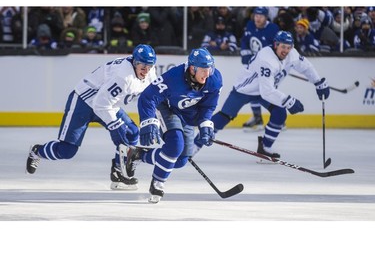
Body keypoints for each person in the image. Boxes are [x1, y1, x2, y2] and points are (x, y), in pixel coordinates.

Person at [26, 44, 158, 191]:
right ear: (134, 62)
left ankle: (118, 173)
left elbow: (154, 96)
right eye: (143, 67)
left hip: (107, 103)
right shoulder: (123, 76)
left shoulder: (150, 72)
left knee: (132, 132)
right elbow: (99, 104)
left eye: (149, 66)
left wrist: (156, 120)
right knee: (67, 151)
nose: (146, 71)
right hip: (84, 102)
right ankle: (37, 151)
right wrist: (114, 126)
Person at [123, 48, 223, 203]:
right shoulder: (173, 78)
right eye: (203, 70)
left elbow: (208, 106)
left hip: (187, 116)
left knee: (181, 160)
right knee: (175, 145)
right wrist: (148, 121)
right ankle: (158, 183)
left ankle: (138, 154)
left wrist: (205, 124)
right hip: (168, 109)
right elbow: (148, 97)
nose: (207, 73)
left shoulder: (214, 79)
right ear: (192, 68)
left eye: (209, 69)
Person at [208, 31, 330, 159]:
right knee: (225, 116)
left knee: (280, 113)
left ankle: (265, 148)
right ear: (276, 44)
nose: (286, 51)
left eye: (289, 47)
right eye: (283, 47)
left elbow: (305, 67)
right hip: (245, 90)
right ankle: (194, 145)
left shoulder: (292, 54)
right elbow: (267, 91)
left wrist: (318, 81)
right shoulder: (266, 59)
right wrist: (289, 101)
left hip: (264, 91)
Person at [240, 7, 280, 131]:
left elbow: (277, 49)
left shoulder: (273, 29)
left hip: (269, 67)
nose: (257, 18)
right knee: (252, 90)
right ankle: (258, 118)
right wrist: (246, 55)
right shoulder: (250, 25)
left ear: (266, 17)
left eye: (261, 16)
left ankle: (278, 119)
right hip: (254, 66)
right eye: (256, 15)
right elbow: (245, 41)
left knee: (268, 93)